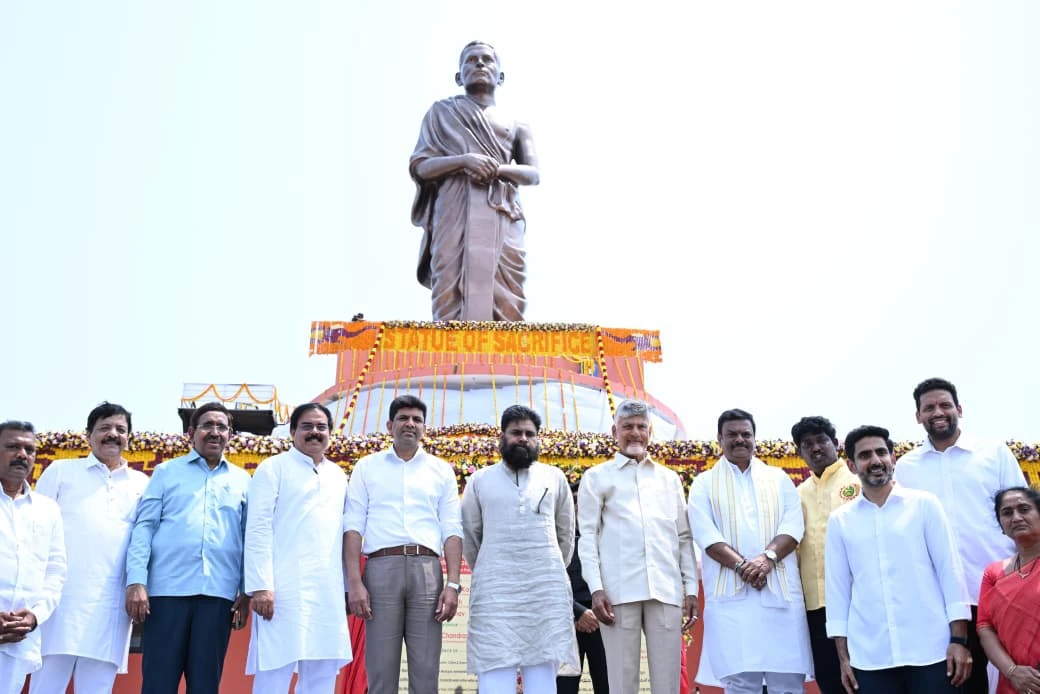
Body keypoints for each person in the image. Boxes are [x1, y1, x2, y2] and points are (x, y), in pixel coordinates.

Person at [894, 377, 1027, 694]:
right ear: (918, 417)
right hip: (943, 601)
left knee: (1020, 676)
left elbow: (1022, 512)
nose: (937, 412)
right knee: (960, 684)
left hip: (1001, 588)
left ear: (959, 409)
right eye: (929, 408)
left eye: (944, 405)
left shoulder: (992, 453)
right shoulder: (906, 467)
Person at [826, 425, 972, 694]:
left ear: (893, 458)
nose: (876, 460)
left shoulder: (925, 505)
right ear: (852, 464)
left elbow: (950, 572)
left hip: (931, 649)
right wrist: (844, 658)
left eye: (882, 452)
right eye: (865, 455)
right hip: (870, 655)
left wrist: (958, 640)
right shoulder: (840, 521)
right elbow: (836, 592)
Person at [125, 402, 251, 694]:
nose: (215, 432)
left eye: (222, 427)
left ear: (230, 435)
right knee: (158, 683)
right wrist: (136, 581)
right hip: (167, 593)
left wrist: (246, 590)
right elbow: (144, 528)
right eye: (207, 425)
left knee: (205, 685)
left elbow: (248, 538)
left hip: (218, 596)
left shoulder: (243, 480)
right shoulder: (166, 473)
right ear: (192, 433)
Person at [410, 40, 539, 322]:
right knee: (449, 288)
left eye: (487, 60)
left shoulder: (517, 124)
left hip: (503, 211)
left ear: (500, 76)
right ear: (459, 77)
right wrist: (464, 160)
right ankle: (449, 357)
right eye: (471, 60)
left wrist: (497, 170)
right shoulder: (441, 113)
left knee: (507, 292)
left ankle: (504, 360)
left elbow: (533, 174)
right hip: (453, 211)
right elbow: (421, 166)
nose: (480, 64)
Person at [343, 395, 463, 694]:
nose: (410, 424)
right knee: (381, 670)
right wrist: (354, 583)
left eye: (416, 419)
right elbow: (353, 526)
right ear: (390, 425)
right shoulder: (367, 467)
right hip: (381, 569)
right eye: (403, 418)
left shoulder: (440, 470)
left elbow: (451, 528)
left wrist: (453, 584)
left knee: (426, 669)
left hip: (427, 570)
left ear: (425, 428)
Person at [687, 408, 811, 694]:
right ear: (720, 439)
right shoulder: (704, 483)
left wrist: (766, 559)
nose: (740, 439)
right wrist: (743, 566)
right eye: (732, 434)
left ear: (755, 439)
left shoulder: (778, 478)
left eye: (746, 434)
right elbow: (706, 534)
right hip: (732, 599)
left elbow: (793, 526)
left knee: (787, 682)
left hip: (779, 595)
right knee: (740, 683)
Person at [579, 399, 699, 694]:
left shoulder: (669, 479)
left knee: (668, 682)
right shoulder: (597, 477)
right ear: (614, 431)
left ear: (650, 431)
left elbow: (683, 538)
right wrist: (596, 589)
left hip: (665, 590)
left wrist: (691, 589)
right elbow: (588, 539)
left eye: (641, 427)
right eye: (628, 427)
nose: (635, 433)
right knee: (621, 682)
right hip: (618, 593)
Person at [31, 402, 149, 694]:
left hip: (109, 606)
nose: (113, 434)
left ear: (129, 438)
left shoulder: (141, 484)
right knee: (46, 685)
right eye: (104, 428)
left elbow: (143, 542)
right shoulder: (61, 471)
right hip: (59, 602)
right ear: (88, 435)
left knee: (97, 687)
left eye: (120, 429)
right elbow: (35, 530)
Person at [461, 405, 577, 693]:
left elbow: (565, 534)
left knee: (542, 679)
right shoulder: (480, 480)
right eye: (516, 433)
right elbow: (471, 535)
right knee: (494, 675)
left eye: (529, 433)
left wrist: (545, 565)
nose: (523, 438)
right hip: (496, 593)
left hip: (544, 592)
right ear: (502, 437)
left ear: (538, 439)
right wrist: (492, 566)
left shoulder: (554, 477)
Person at [245, 403, 351, 692]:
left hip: (326, 592)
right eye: (307, 426)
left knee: (321, 673)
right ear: (292, 432)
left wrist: (346, 589)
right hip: (282, 590)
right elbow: (256, 529)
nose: (314, 432)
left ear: (330, 433)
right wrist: (261, 586)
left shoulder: (339, 476)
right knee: (274, 670)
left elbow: (344, 536)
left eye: (321, 427)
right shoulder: (273, 468)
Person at [791, 415, 859, 694]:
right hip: (816, 608)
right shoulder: (797, 494)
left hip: (859, 603)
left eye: (822, 440)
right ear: (800, 452)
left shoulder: (858, 481)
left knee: (868, 680)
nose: (816, 448)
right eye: (807, 444)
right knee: (831, 682)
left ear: (835, 443)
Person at [0, 421, 66, 694]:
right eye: (13, 447)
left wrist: (35, 616)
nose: (22, 454)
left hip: (20, 637)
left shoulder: (47, 509)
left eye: (29, 449)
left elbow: (56, 571)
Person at [977, 487, 1040, 694]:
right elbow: (985, 627)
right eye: (1007, 513)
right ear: (1002, 526)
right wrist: (1012, 672)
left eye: (1024, 509)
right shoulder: (993, 573)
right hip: (1014, 683)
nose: (1016, 517)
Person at [556, 480, 608, 694]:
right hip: (565, 617)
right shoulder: (553, 533)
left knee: (608, 686)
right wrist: (576, 612)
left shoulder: (608, 534)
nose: (580, 505)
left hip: (603, 619)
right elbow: (549, 579)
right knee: (563, 688)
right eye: (575, 500)